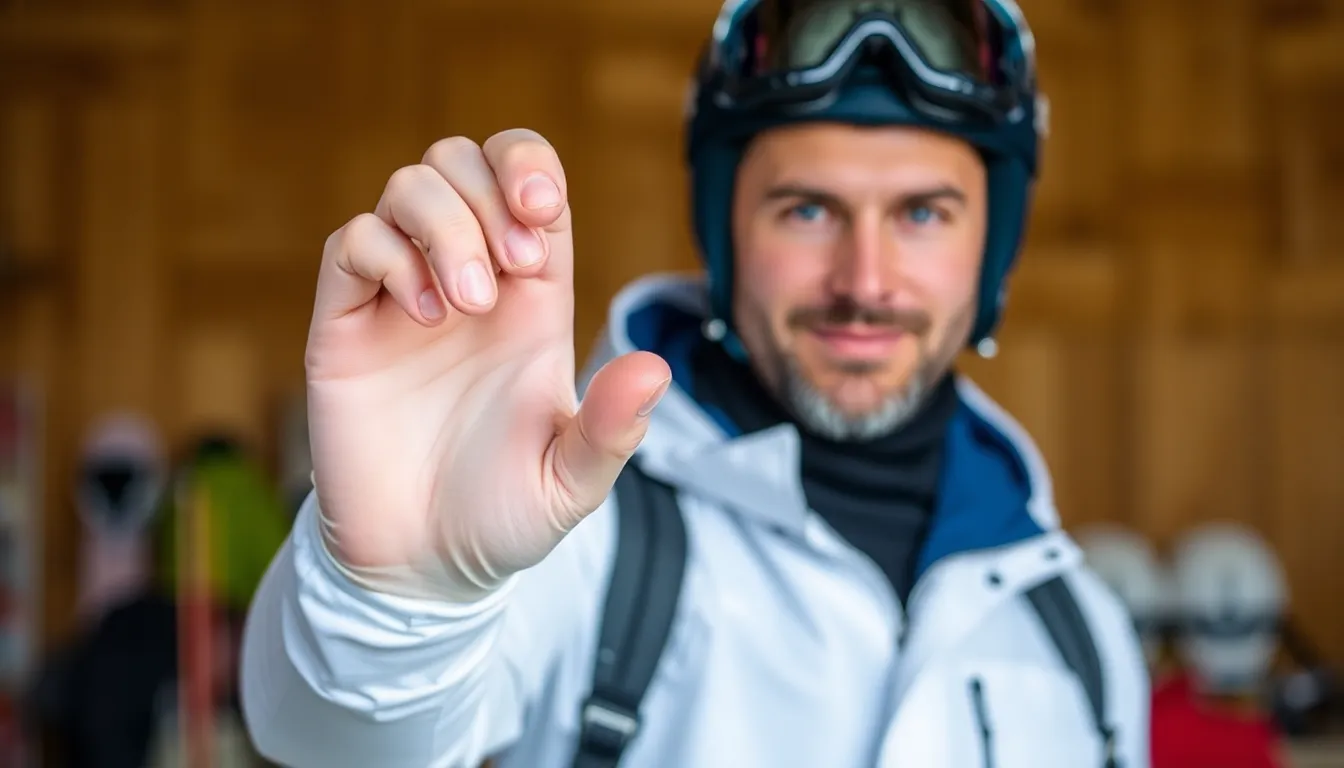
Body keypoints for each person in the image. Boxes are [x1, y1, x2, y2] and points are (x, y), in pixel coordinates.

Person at [238, 1, 1151, 766]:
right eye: (807, 209)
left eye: (922, 213)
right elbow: (334, 745)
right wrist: (404, 596)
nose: (865, 281)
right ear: (723, 229)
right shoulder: (568, 533)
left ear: (992, 250)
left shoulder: (1082, 634)